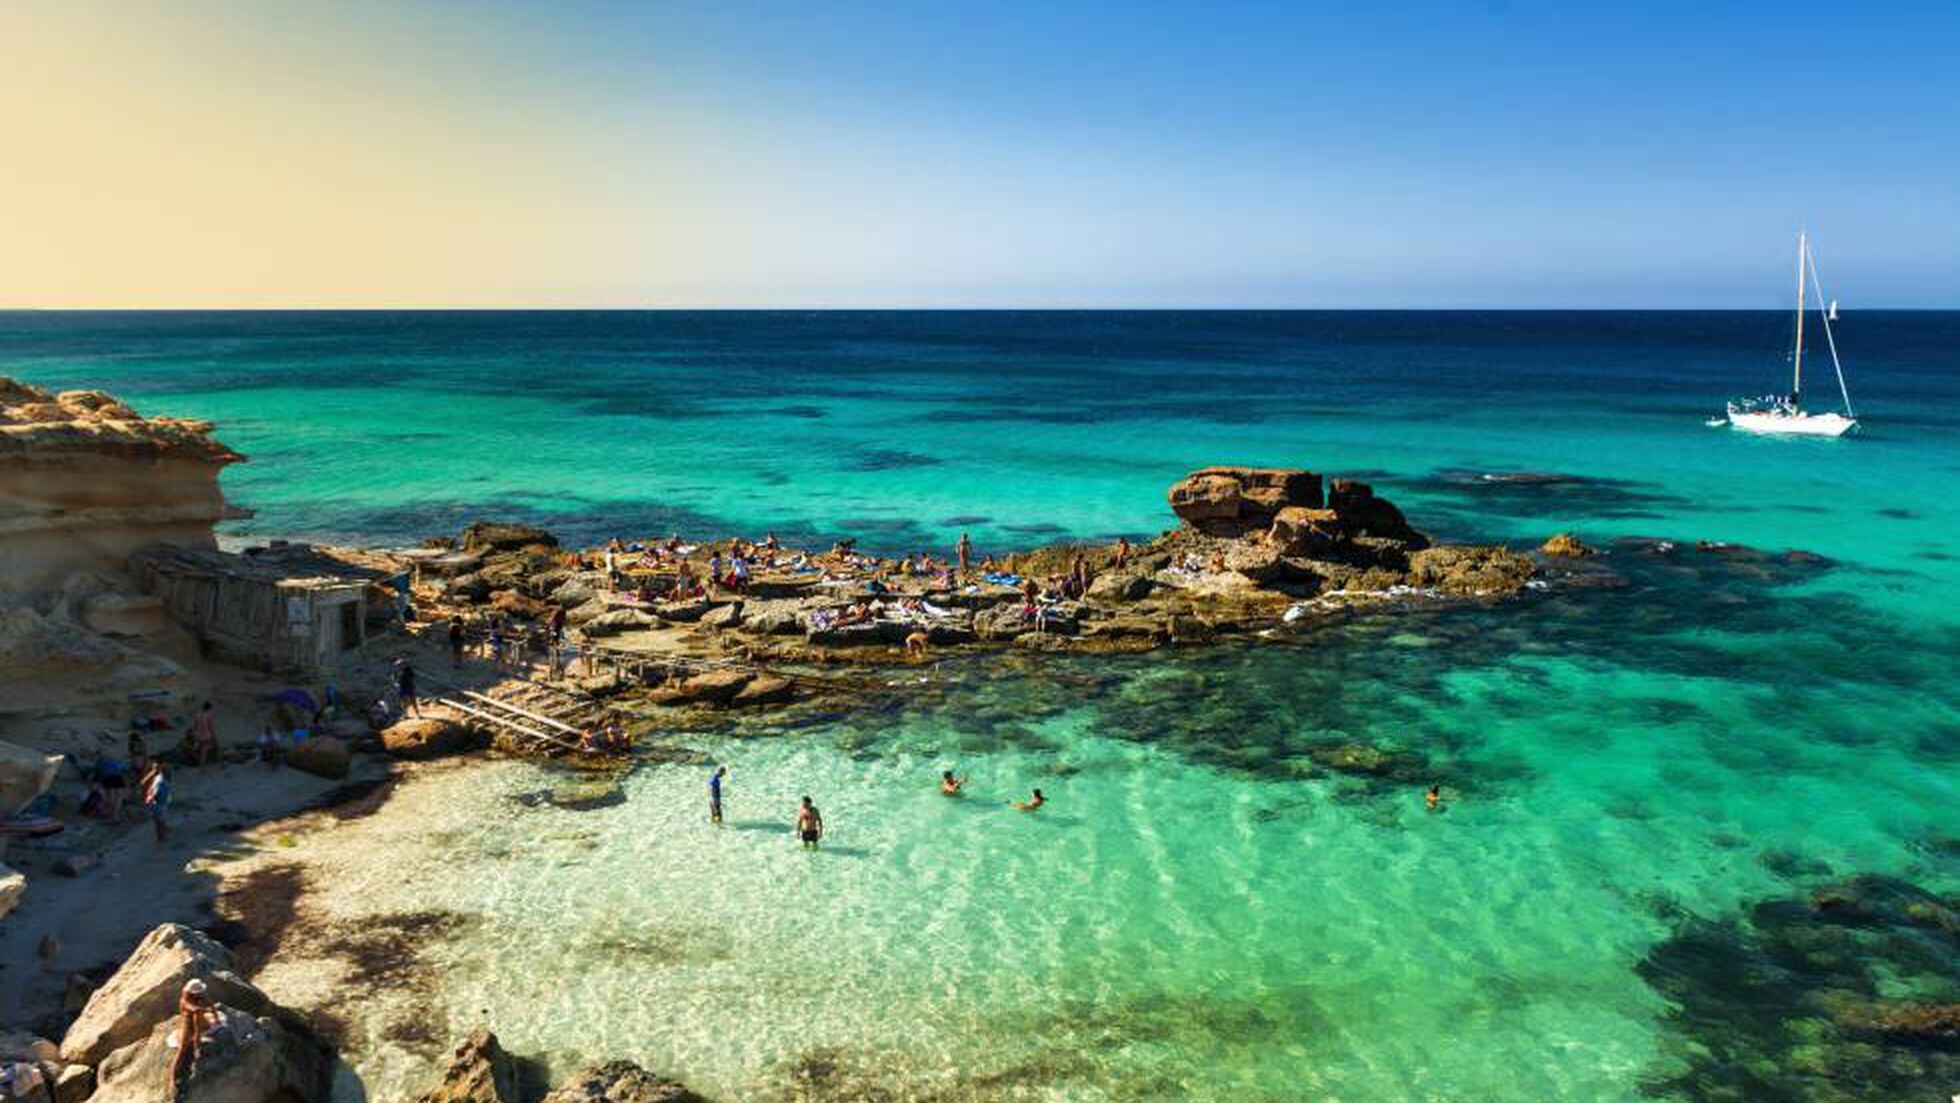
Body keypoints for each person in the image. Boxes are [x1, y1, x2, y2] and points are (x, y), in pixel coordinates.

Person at [171, 978, 223, 1089]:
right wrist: (207, 1010)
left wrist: (216, 1017)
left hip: (199, 1024)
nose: (201, 994)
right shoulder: (184, 1001)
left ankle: (197, 1043)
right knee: (182, 1050)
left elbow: (211, 1004)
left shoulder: (200, 997)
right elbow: (193, 1009)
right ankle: (172, 1078)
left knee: (199, 1018)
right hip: (187, 1025)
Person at [141, 760, 171, 843]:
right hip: (158, 800)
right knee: (159, 818)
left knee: (158, 819)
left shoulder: (160, 778)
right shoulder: (159, 777)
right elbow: (144, 783)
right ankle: (162, 834)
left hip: (157, 800)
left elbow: (144, 784)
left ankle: (162, 836)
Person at [190, 702, 219, 766]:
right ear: (208, 708)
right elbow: (211, 727)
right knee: (209, 747)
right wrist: (214, 736)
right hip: (206, 736)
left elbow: (194, 727)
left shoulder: (197, 714)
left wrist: (195, 734)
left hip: (198, 736)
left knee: (196, 747)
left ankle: (196, 757)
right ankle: (202, 762)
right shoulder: (208, 715)